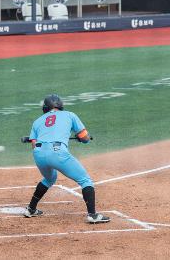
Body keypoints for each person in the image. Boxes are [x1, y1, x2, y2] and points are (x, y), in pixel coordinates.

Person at [23, 94, 110, 224]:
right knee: (85, 180)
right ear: (60, 106)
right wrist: (82, 139)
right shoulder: (70, 115)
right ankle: (92, 215)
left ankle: (30, 209)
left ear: (45, 108)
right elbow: (85, 137)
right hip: (58, 153)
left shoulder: (37, 121)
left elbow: (33, 144)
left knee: (49, 179)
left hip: (39, 154)